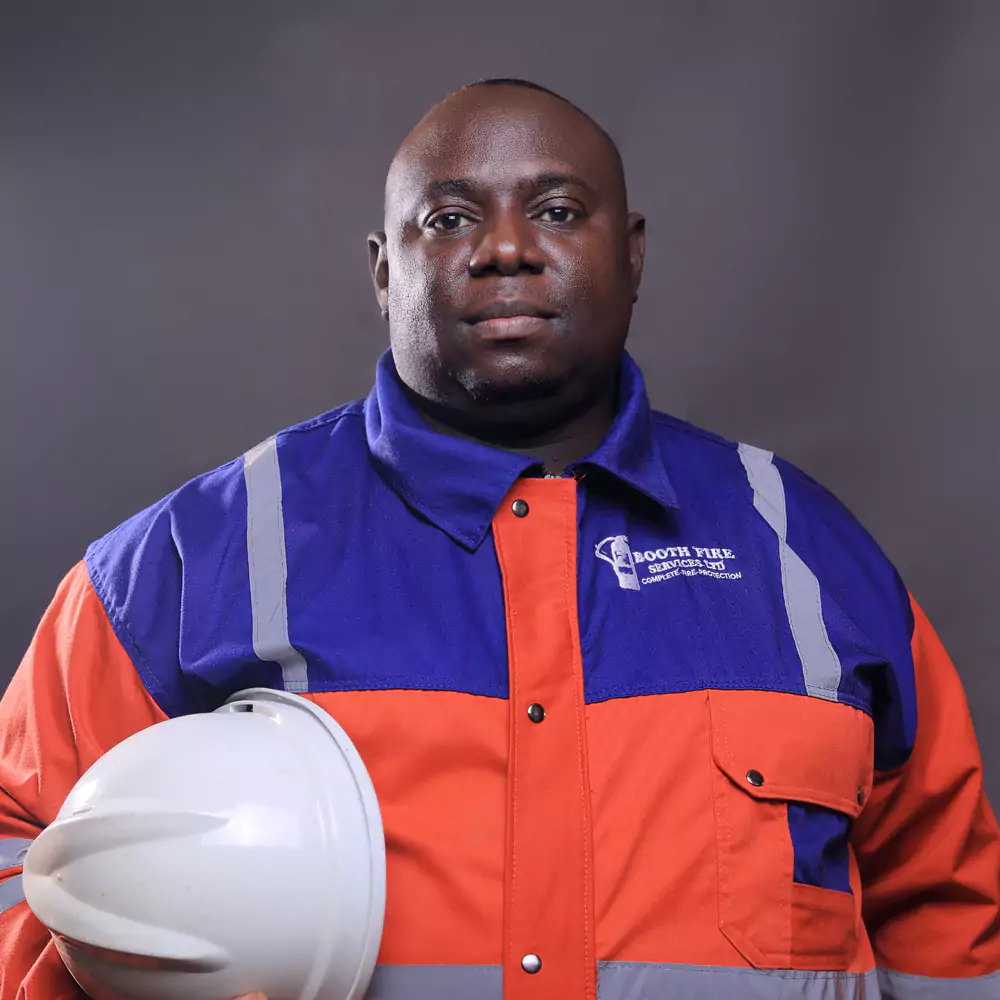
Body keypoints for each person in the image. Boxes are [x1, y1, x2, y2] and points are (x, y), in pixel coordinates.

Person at [1, 78, 998, 1000]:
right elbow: (22, 855)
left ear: (633, 254)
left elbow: (948, 915)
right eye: (449, 219)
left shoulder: (807, 550)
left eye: (557, 211)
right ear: (384, 270)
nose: (506, 248)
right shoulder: (190, 559)